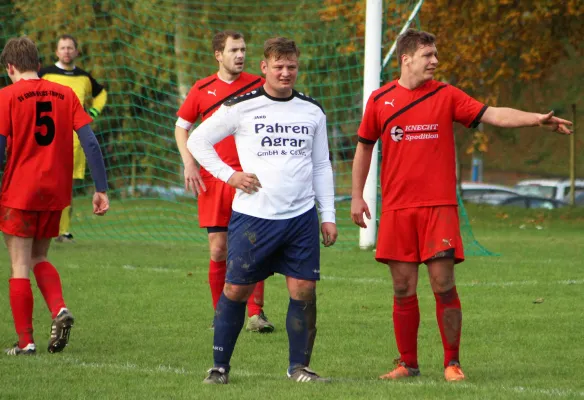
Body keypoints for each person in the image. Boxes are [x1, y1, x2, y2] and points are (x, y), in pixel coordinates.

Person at [351, 28, 572, 382]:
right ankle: (407, 364)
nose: (435, 61)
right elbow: (364, 147)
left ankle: (452, 363)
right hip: (397, 208)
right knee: (402, 287)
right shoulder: (380, 100)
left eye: (436, 54)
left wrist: (536, 119)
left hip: (439, 207)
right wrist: (358, 194)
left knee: (442, 283)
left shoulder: (446, 95)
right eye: (428, 55)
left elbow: (494, 114)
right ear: (406, 59)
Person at [188, 37, 337, 384]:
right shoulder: (242, 106)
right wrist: (230, 175)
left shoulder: (312, 111)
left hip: (300, 220)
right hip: (254, 218)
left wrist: (327, 215)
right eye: (279, 67)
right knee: (236, 291)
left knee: (303, 291)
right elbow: (197, 140)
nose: (285, 73)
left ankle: (299, 368)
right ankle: (219, 368)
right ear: (264, 68)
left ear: (298, 67)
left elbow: (321, 166)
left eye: (292, 67)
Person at [0, 36, 109, 355]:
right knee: (39, 257)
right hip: (56, 193)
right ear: (37, 64)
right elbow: (90, 142)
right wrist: (100, 188)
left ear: (10, 68)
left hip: (19, 191)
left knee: (19, 264)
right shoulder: (66, 94)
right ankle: (59, 309)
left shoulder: (6, 96)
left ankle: (26, 342)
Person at [175, 30, 274, 333]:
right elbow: (182, 127)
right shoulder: (202, 89)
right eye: (234, 50)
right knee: (219, 250)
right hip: (214, 179)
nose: (240, 55)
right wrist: (189, 162)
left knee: (253, 246)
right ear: (219, 54)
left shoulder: (260, 87)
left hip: (251, 177)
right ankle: (222, 315)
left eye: (243, 49)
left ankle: (256, 314)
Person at [39, 34, 108, 243]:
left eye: (70, 47)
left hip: (75, 139)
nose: (67, 51)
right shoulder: (45, 74)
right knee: (45, 183)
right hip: (47, 137)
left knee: (65, 186)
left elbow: (101, 94)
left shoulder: (84, 77)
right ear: (56, 52)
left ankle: (63, 230)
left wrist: (93, 113)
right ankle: (42, 226)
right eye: (63, 47)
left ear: (76, 51)